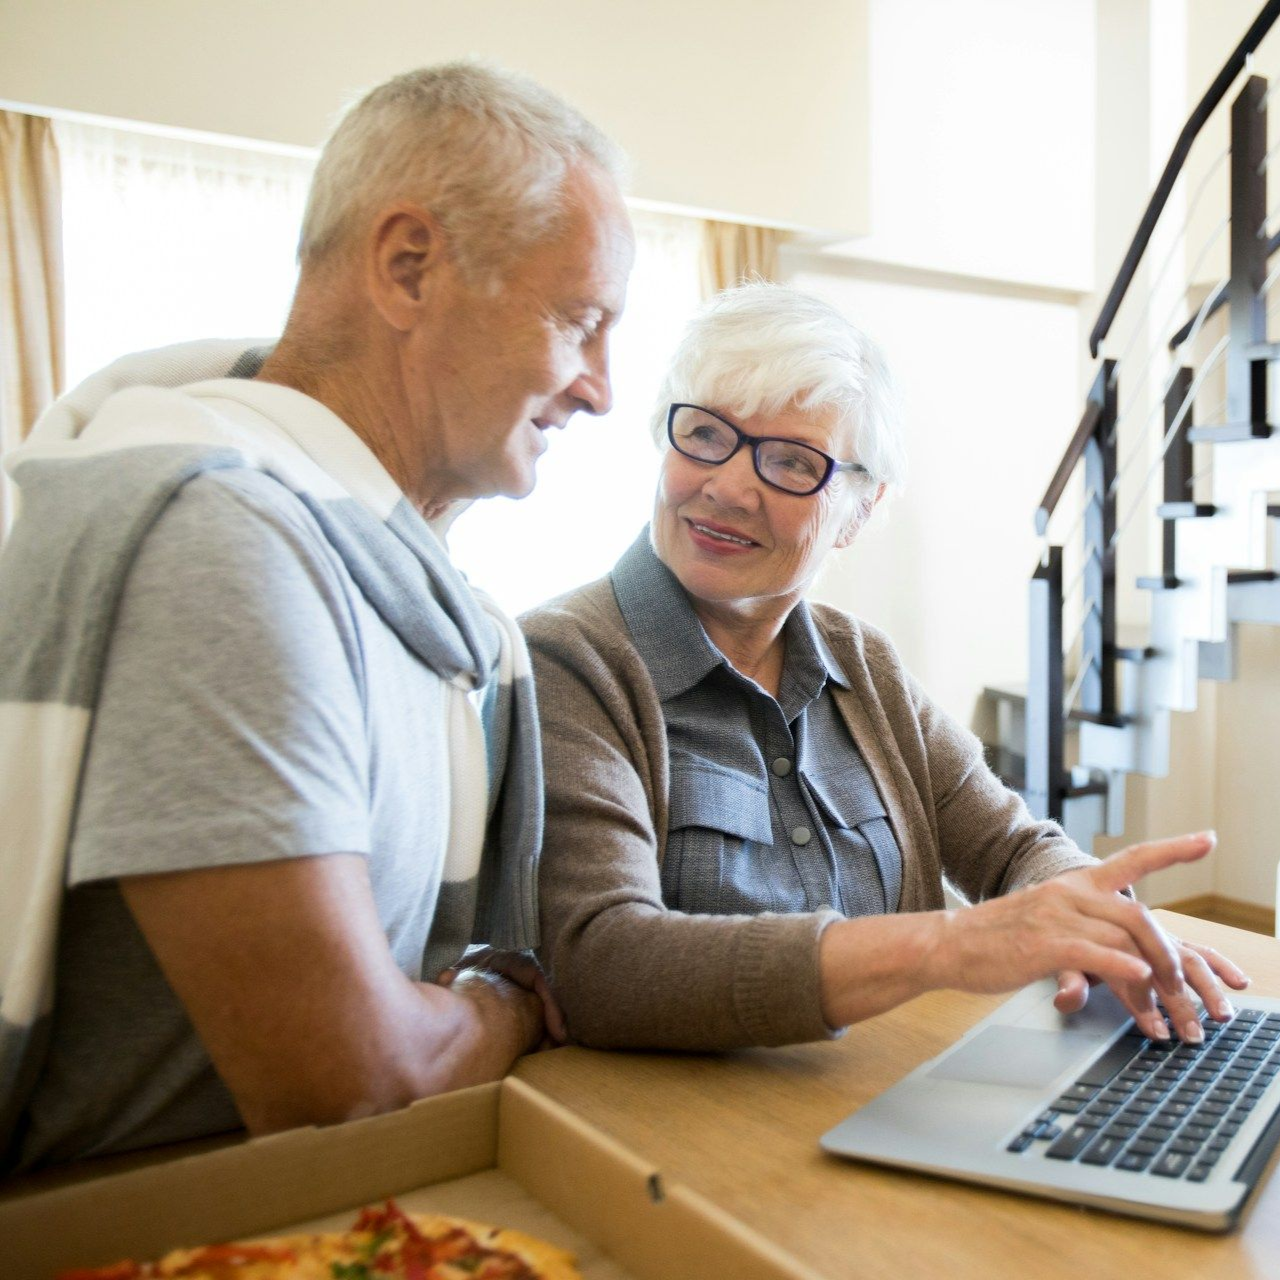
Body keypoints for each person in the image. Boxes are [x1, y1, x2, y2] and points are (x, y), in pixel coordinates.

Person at [0, 62, 634, 1172]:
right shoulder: (223, 546)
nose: (600, 387)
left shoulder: (404, 592)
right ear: (407, 268)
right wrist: (506, 1004)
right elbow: (345, 1077)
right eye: (578, 320)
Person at [521, 283, 1248, 1052]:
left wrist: (1100, 920)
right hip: (695, 1137)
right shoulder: (568, 659)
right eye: (704, 434)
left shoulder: (864, 665)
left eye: (791, 462)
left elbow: (1012, 847)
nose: (729, 486)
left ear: (859, 510)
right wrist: (951, 944)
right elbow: (600, 964)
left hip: (891, 1094)